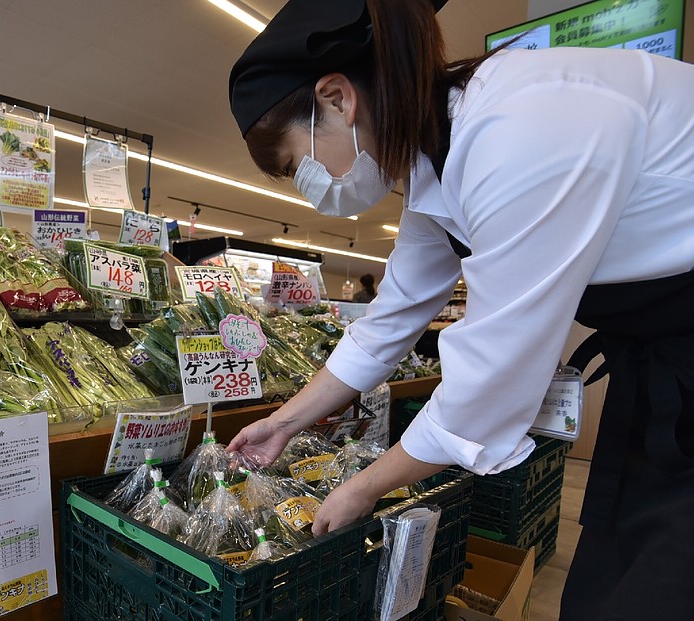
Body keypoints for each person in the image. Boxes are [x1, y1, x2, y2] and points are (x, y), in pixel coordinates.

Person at [225, 1, 694, 619]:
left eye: (297, 165)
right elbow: (388, 323)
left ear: (337, 98)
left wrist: (362, 488)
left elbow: (489, 385)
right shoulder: (432, 167)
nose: (311, 190)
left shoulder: (517, 132)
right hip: (663, 353)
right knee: (617, 558)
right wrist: (285, 422)